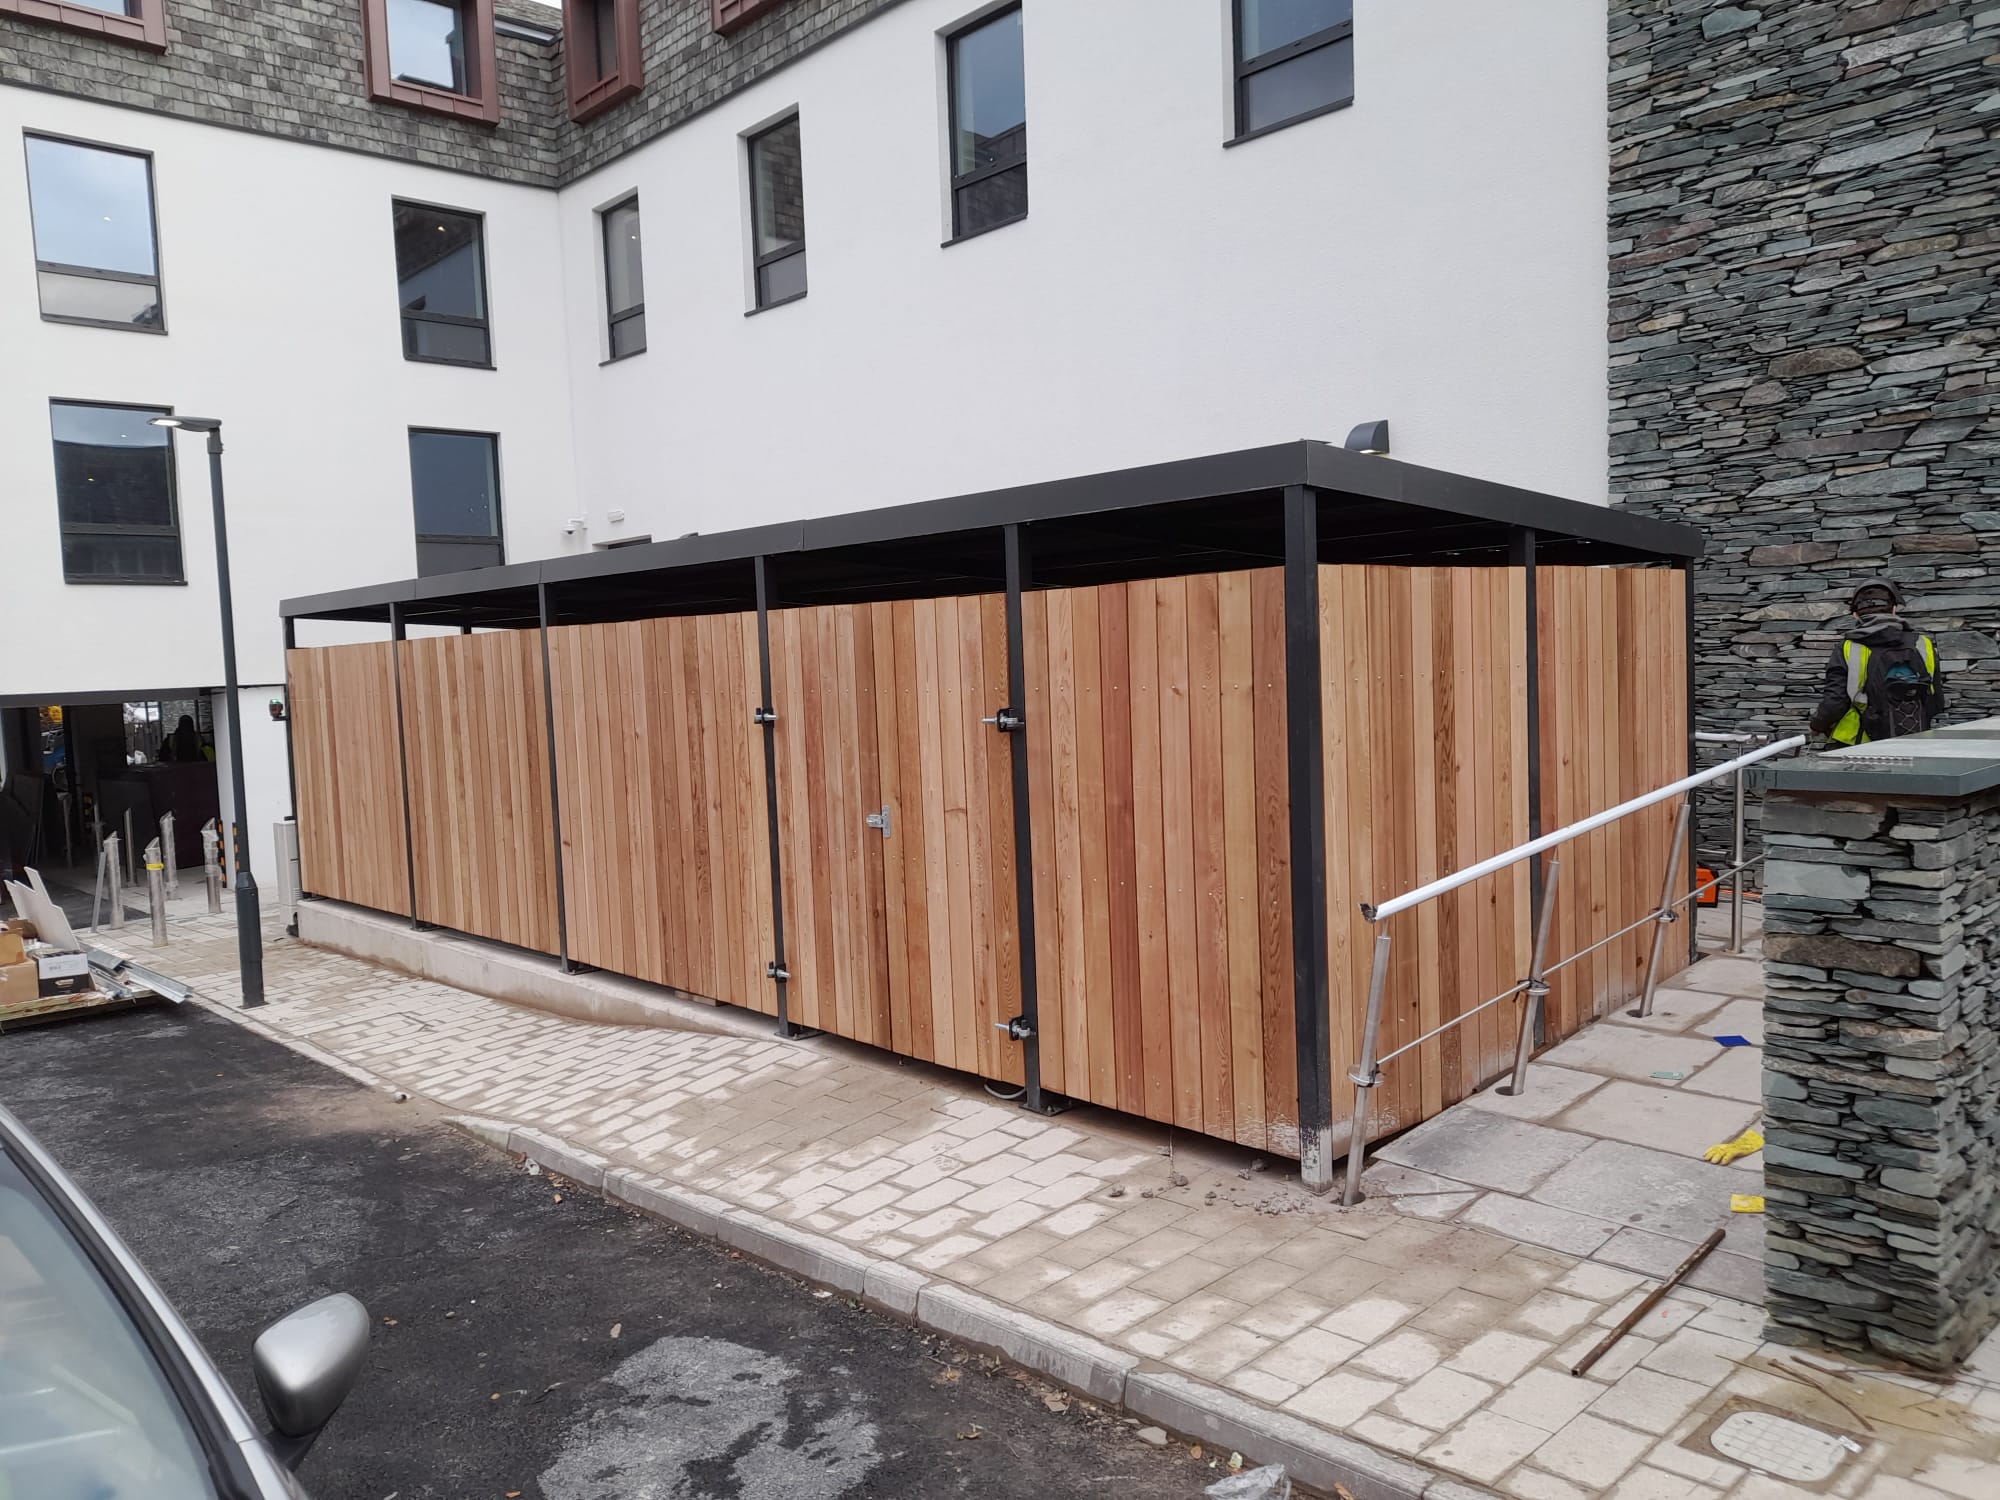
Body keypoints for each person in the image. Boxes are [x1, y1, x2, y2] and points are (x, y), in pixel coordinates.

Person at [1808, 581, 1946, 745]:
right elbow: (1936, 702)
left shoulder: (1847, 647)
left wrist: (1817, 725)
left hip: (1856, 744)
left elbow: (1835, 702)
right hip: (1913, 741)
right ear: (1894, 609)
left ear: (1855, 615)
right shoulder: (1923, 644)